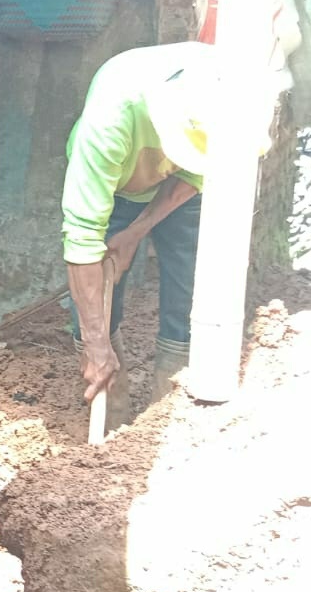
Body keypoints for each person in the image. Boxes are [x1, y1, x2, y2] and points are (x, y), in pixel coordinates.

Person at [63, 41, 218, 424]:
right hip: (120, 186)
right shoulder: (110, 121)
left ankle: (169, 408)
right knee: (95, 297)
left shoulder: (225, 99)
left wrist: (137, 232)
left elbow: (196, 174)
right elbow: (82, 242)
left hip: (181, 191)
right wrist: (96, 342)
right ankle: (112, 412)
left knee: (189, 285)